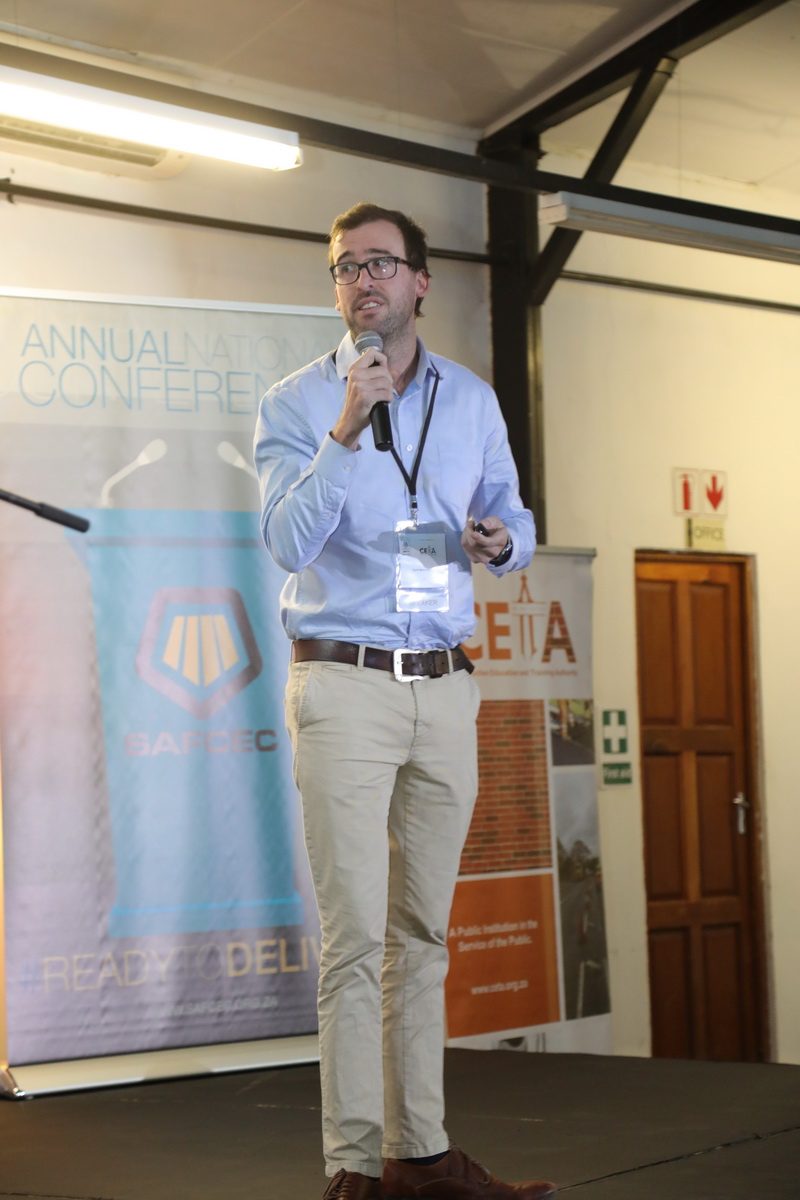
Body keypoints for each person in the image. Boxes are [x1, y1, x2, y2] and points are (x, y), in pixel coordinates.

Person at [254, 202, 555, 1200]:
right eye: (346, 267)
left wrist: (501, 542)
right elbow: (286, 541)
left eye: (380, 263)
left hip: (443, 684)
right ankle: (352, 1166)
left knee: (422, 936)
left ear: (420, 281)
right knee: (355, 941)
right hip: (343, 681)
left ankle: (419, 1154)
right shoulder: (296, 404)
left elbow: (514, 517)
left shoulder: (470, 401)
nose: (362, 281)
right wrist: (345, 428)